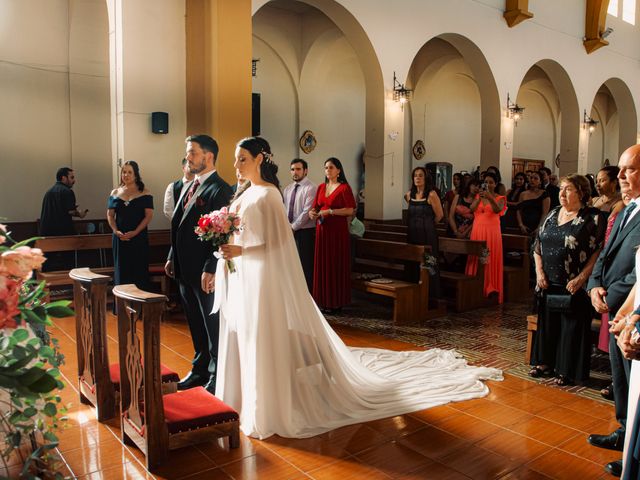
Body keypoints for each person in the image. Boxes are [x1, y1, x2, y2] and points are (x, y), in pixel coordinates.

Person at [214, 136, 502, 439]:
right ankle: (247, 396)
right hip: (245, 274)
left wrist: (244, 251)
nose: (235, 165)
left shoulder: (269, 194)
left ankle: (267, 402)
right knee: (249, 335)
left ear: (260, 158)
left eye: (242, 158)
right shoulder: (245, 193)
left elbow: (280, 240)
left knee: (263, 335)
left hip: (262, 276)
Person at [165, 134, 233, 394]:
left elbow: (223, 234)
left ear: (208, 156)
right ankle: (199, 368)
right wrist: (172, 256)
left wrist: (210, 266)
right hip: (184, 268)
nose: (188, 157)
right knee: (194, 322)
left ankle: (217, 375)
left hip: (205, 272)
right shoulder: (185, 186)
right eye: (188, 152)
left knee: (211, 325)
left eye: (192, 152)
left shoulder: (220, 189)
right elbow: (180, 226)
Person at [587, 145, 640, 478]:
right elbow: (604, 254)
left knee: (635, 382)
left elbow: (639, 274)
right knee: (619, 377)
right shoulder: (624, 211)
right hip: (616, 307)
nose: (619, 176)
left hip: (630, 309)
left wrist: (614, 300)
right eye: (619, 169)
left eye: (629, 169)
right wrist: (594, 285)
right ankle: (623, 429)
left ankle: (633, 445)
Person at [529, 174, 605, 386]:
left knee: (570, 329)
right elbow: (537, 245)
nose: (562, 193)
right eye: (561, 189)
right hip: (548, 281)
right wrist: (539, 272)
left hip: (574, 284)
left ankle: (566, 369)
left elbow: (598, 252)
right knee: (548, 325)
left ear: (581, 192)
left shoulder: (593, 217)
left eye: (568, 189)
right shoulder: (553, 213)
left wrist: (582, 278)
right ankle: (544, 363)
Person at [309, 157, 356, 313]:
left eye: (331, 167)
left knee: (335, 264)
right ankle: (322, 300)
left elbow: (350, 210)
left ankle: (336, 302)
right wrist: (312, 213)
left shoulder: (344, 188)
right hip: (322, 231)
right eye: (326, 167)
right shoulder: (321, 187)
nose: (327, 170)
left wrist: (330, 211)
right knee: (323, 264)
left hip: (337, 232)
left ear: (338, 170)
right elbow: (315, 207)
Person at [107, 161, 154, 290]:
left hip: (138, 238)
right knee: (122, 271)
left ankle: (140, 307)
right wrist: (116, 231)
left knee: (138, 271)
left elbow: (148, 216)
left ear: (136, 175)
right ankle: (122, 306)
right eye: (124, 172)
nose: (126, 175)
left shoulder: (145, 193)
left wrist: (135, 232)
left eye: (129, 172)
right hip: (120, 239)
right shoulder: (115, 193)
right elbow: (110, 215)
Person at [465, 172, 506, 303]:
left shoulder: (501, 198)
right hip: (478, 231)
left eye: (491, 182)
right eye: (486, 182)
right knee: (477, 258)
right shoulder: (478, 196)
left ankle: (489, 287)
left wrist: (490, 197)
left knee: (487, 258)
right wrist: (478, 199)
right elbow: (471, 209)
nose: (488, 184)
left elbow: (497, 210)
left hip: (491, 234)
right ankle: (475, 286)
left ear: (495, 184)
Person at [404, 167, 443, 301]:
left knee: (428, 265)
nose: (417, 178)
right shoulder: (409, 195)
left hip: (427, 235)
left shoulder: (431, 194)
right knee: (413, 264)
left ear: (426, 178)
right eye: (415, 175)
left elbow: (439, 215)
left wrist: (427, 225)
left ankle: (430, 296)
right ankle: (412, 295)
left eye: (420, 175)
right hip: (412, 233)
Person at [283, 159, 317, 291]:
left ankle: (308, 297)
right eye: (292, 169)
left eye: (298, 169)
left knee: (305, 266)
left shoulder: (311, 188)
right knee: (291, 265)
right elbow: (284, 210)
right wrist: (287, 227)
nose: (295, 172)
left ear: (305, 171)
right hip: (289, 231)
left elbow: (307, 212)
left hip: (305, 232)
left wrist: (293, 227)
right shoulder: (287, 189)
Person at [39, 167, 88, 236]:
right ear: (64, 178)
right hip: (62, 233)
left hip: (46, 234)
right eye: (72, 177)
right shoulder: (67, 192)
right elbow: (71, 211)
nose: (74, 181)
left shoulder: (48, 192)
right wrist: (80, 214)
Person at [516, 171, 550, 236]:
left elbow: (544, 213)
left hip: (537, 225)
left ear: (540, 181)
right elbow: (518, 210)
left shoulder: (544, 194)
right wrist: (521, 225)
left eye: (535, 178)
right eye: (531, 178)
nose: (532, 180)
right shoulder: (523, 194)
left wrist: (539, 228)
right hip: (524, 225)